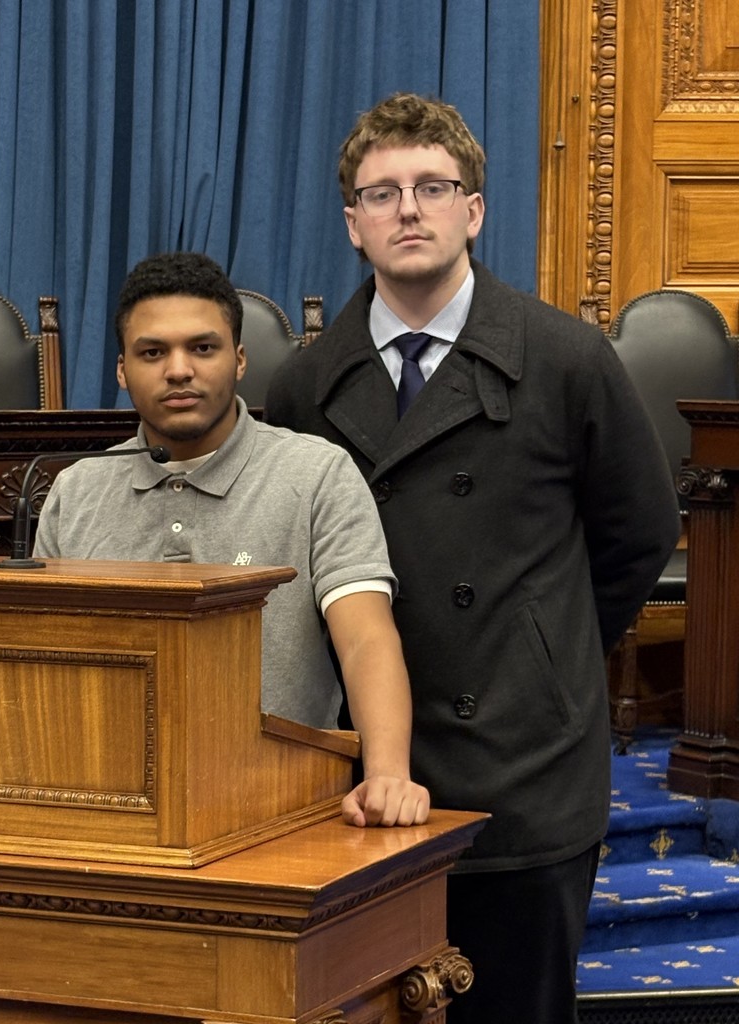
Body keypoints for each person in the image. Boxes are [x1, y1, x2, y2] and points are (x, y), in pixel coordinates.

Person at [263, 93, 680, 1024]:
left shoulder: (566, 357)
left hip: (524, 763)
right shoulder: (303, 383)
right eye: (382, 194)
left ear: (474, 210)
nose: (408, 209)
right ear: (353, 227)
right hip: (362, 778)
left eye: (432, 187)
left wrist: (549, 653)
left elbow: (640, 531)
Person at [33, 250, 430, 827]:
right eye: (152, 352)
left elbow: (365, 638)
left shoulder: (317, 475)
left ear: (240, 359)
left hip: (281, 807)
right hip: (108, 810)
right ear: (121, 370)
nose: (178, 369)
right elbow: (42, 665)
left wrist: (387, 772)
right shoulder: (76, 493)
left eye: (202, 347)